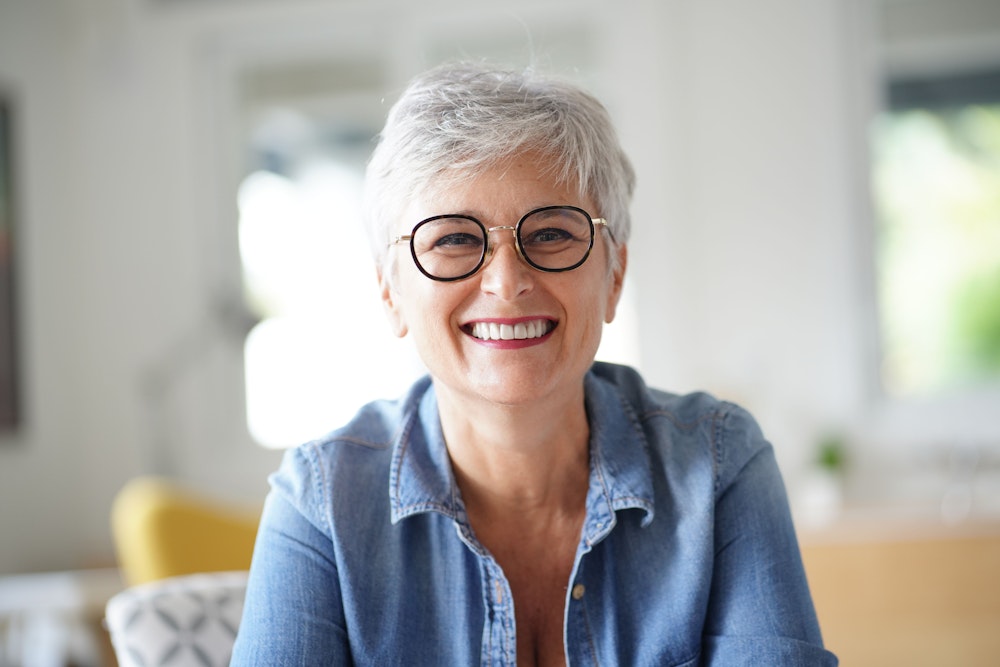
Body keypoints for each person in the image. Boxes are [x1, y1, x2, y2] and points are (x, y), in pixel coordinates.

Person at [231, 61, 837, 666]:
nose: (507, 281)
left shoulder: (719, 464)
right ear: (391, 292)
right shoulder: (322, 502)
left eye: (550, 233)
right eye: (454, 239)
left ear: (615, 276)